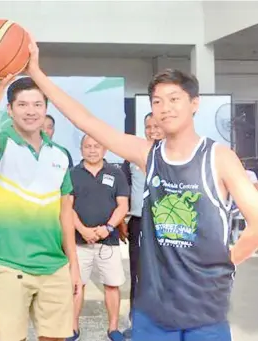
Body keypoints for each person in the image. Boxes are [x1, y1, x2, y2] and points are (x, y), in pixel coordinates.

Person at [25, 39, 258, 341]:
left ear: (194, 103)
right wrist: (37, 73)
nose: (165, 108)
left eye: (174, 99)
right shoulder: (149, 155)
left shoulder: (218, 158)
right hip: (153, 310)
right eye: (157, 101)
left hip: (205, 310)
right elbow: (87, 121)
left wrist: (228, 260)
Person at [0, 73, 82, 341]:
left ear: (46, 109)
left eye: (37, 104)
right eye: (22, 105)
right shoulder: (0, 146)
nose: (31, 111)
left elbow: (64, 214)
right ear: (9, 109)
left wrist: (74, 266)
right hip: (10, 265)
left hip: (54, 265)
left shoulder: (59, 154)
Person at [69, 135, 129, 341]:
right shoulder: (72, 174)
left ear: (105, 150)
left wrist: (109, 227)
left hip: (108, 241)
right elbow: (66, 207)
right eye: (87, 146)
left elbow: (123, 205)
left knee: (112, 284)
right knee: (76, 285)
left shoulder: (116, 173)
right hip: (78, 240)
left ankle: (113, 329)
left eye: (97, 146)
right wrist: (83, 229)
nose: (92, 150)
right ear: (81, 149)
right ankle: (72, 328)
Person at [120, 112, 164, 338]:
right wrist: (122, 220)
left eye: (157, 126)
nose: (153, 131)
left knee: (166, 273)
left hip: (167, 226)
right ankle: (136, 324)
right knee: (138, 273)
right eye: (148, 126)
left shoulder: (173, 156)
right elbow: (124, 192)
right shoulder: (132, 158)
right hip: (139, 222)